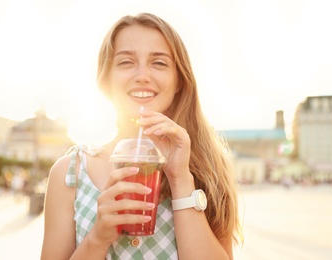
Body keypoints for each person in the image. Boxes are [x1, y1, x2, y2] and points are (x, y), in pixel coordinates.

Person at [41, 12, 243, 259]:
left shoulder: (206, 168)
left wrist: (180, 178)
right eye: (126, 62)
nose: (143, 76)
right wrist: (98, 237)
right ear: (106, 78)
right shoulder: (69, 172)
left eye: (159, 63)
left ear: (179, 80)